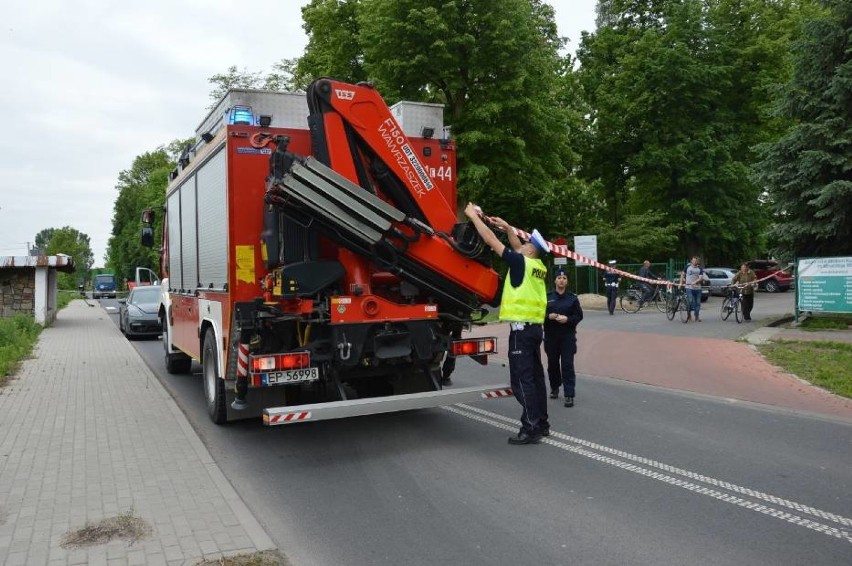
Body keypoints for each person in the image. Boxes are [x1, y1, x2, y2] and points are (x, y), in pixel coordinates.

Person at [464, 203, 549, 445]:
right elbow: (515, 245)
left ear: (530, 251)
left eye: (526, 244)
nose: (521, 245)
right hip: (534, 330)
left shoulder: (521, 262)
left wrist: (473, 217)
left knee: (522, 380)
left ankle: (530, 427)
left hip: (521, 332)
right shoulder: (538, 266)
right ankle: (541, 423)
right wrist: (508, 227)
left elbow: (492, 241)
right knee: (535, 377)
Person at [544, 267, 584, 407]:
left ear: (567, 281)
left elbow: (579, 316)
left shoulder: (572, 298)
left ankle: (569, 394)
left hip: (567, 337)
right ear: (555, 280)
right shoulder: (547, 297)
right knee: (553, 364)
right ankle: (555, 387)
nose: (562, 280)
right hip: (551, 337)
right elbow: (538, 315)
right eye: (559, 278)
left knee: (567, 365)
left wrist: (567, 319)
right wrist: (548, 316)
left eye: (564, 278)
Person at [680, 256, 704, 322]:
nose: (694, 262)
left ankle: (697, 316)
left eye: (696, 261)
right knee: (690, 301)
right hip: (689, 288)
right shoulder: (687, 267)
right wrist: (681, 282)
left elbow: (700, 278)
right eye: (693, 260)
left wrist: (695, 282)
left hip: (698, 288)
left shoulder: (699, 268)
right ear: (691, 261)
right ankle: (689, 315)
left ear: (697, 262)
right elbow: (682, 274)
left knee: (698, 303)